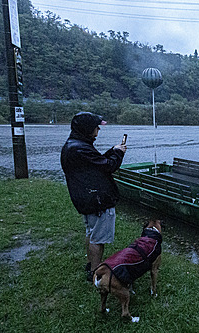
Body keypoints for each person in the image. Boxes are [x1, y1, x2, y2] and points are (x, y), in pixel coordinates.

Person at [60, 112, 127, 282]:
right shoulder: (80, 148)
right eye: (96, 127)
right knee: (98, 238)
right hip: (97, 201)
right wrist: (118, 154)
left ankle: (91, 265)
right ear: (87, 129)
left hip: (87, 199)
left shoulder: (75, 145)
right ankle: (96, 274)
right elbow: (109, 166)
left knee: (91, 233)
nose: (98, 130)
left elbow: (96, 163)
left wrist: (112, 150)